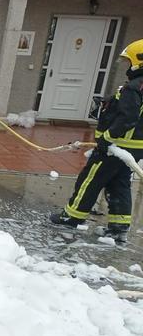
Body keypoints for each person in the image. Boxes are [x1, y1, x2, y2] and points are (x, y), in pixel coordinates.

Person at [49, 39, 143, 241]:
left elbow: (127, 118)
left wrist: (107, 139)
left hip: (115, 147)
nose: (128, 66)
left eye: (129, 61)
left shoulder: (134, 88)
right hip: (132, 150)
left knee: (90, 180)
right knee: (119, 184)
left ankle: (71, 217)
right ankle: (119, 227)